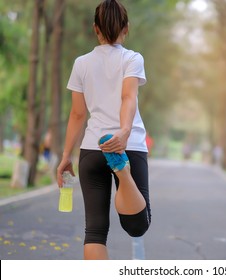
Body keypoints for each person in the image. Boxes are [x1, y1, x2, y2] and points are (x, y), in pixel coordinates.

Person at [56, 0, 151, 260]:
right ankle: (123, 171)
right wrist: (123, 132)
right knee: (138, 225)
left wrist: (65, 156)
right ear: (126, 28)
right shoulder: (132, 59)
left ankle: (121, 168)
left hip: (92, 148)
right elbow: (128, 98)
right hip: (127, 146)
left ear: (95, 29)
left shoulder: (81, 63)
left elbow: (77, 114)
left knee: (95, 231)